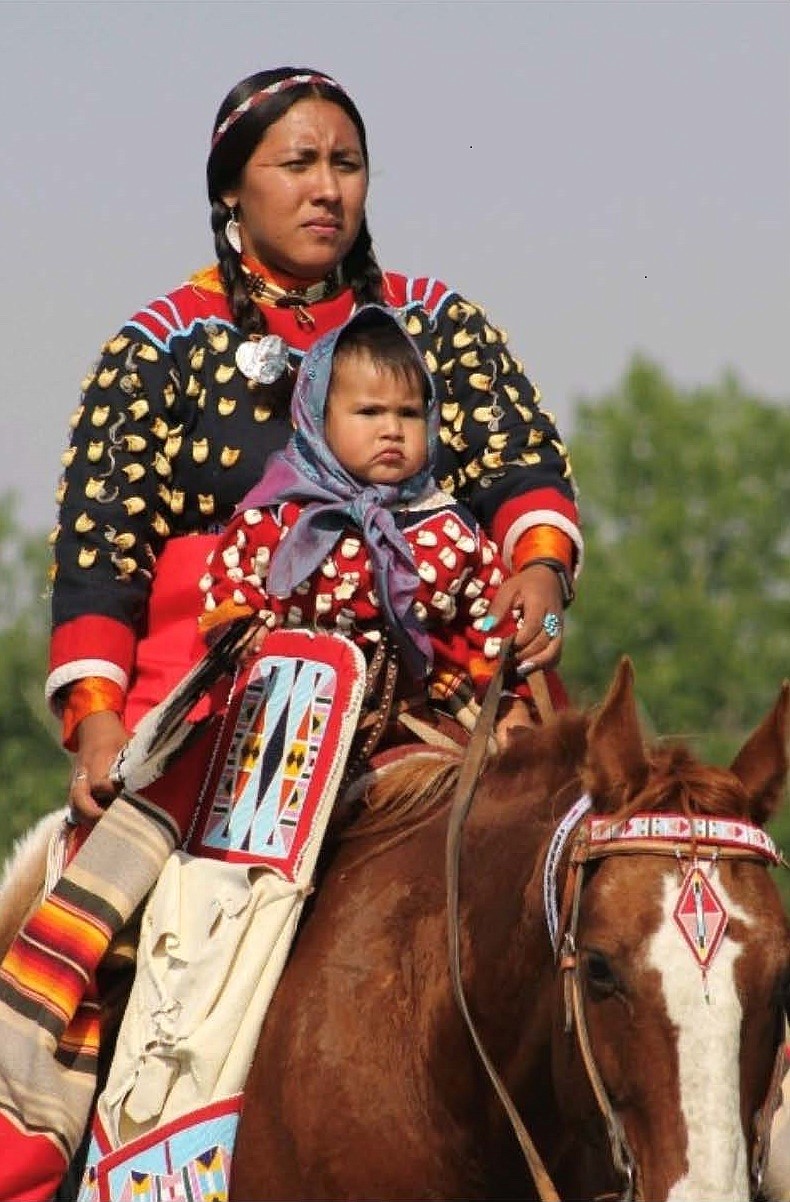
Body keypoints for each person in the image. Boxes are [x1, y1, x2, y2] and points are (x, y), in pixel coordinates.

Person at [0, 66, 582, 1201]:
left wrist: (537, 573)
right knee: (115, 906)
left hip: (448, 665)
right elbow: (102, 549)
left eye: (346, 165)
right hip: (240, 691)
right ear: (233, 191)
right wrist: (101, 720)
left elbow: (522, 466)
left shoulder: (432, 322)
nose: (328, 189)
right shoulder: (162, 345)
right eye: (298, 164)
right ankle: (55, 1128)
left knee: (614, 878)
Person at [200, 303, 555, 738]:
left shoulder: (451, 530)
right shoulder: (273, 518)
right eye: (369, 412)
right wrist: (244, 633)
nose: (392, 429)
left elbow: (493, 623)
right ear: (316, 418)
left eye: (408, 414)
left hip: (421, 710)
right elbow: (230, 592)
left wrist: (512, 687)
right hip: (282, 708)